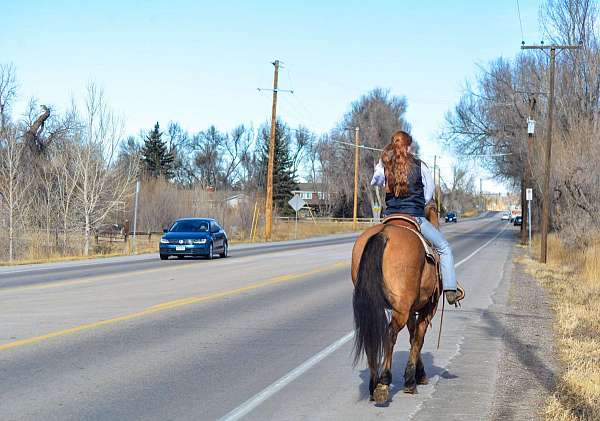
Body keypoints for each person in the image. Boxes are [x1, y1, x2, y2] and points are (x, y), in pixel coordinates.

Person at [371, 130, 463, 305]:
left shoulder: (385, 165)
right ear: (409, 146)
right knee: (444, 247)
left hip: (390, 216)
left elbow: (375, 181)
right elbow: (428, 195)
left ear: (393, 144)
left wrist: (383, 164)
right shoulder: (420, 166)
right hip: (415, 218)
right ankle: (451, 290)